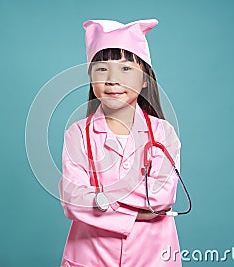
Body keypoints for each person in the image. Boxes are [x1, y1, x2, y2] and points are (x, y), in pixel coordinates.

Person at [59, 19, 182, 267]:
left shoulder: (163, 133)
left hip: (153, 255)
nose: (113, 79)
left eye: (126, 69)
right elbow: (72, 200)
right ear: (91, 77)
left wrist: (99, 199)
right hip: (90, 256)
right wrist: (136, 214)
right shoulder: (78, 134)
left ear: (145, 79)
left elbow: (160, 197)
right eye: (102, 69)